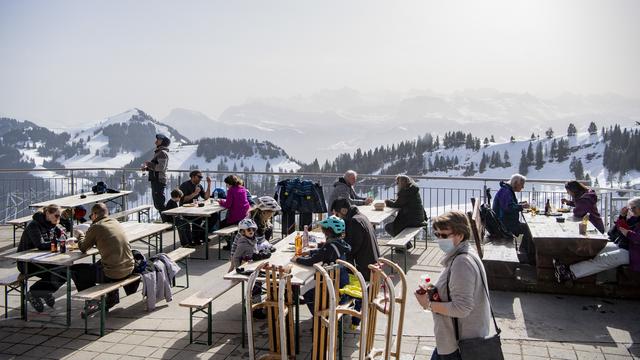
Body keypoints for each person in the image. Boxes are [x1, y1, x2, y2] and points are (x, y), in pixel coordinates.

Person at [414, 211, 492, 360]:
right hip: (458, 339)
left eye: (444, 235)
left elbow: (462, 308)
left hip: (457, 345)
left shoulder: (462, 263)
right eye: (437, 235)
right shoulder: (466, 253)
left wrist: (428, 304)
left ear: (460, 235)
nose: (440, 239)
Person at [554, 197, 640, 283]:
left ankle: (569, 273)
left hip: (635, 253)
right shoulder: (635, 219)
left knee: (606, 258)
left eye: (633, 208)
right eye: (630, 208)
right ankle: (600, 279)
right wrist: (622, 217)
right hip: (627, 247)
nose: (631, 210)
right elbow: (619, 228)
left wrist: (628, 234)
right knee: (600, 249)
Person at [72, 203, 135, 315]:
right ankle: (112, 298)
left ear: (95, 215)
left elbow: (83, 248)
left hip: (114, 273)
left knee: (76, 270)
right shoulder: (115, 222)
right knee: (101, 263)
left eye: (91, 216)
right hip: (129, 268)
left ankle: (93, 302)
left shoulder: (96, 226)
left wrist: (80, 235)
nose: (91, 218)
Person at [331, 198, 379, 328]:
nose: (337, 218)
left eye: (337, 215)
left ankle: (341, 308)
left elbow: (351, 248)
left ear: (344, 210)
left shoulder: (353, 222)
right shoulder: (360, 216)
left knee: (334, 271)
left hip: (364, 269)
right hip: (371, 264)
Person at [292, 216, 351, 313]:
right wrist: (310, 252)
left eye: (323, 229)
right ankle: (323, 315)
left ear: (328, 231)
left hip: (333, 288)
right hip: (342, 283)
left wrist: (297, 259)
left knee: (308, 294)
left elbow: (311, 261)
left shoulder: (329, 246)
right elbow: (323, 252)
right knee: (312, 288)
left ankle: (319, 321)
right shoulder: (340, 243)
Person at [17, 204, 68, 312]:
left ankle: (42, 292)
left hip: (44, 260)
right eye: (56, 216)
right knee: (58, 272)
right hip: (27, 263)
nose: (58, 218)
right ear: (48, 214)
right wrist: (60, 243)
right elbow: (40, 245)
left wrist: (65, 238)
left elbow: (63, 236)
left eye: (60, 216)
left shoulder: (52, 223)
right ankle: (34, 293)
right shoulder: (34, 225)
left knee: (65, 272)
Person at [492, 174, 535, 264]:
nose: (523, 187)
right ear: (515, 183)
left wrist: (519, 204)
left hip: (505, 222)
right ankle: (528, 256)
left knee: (527, 229)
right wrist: (521, 206)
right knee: (529, 230)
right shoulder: (506, 191)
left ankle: (525, 253)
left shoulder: (506, 190)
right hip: (504, 225)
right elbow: (508, 208)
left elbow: (509, 205)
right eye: (521, 184)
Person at [384, 175, 428, 249]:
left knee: (388, 227)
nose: (397, 184)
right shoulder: (412, 190)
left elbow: (397, 204)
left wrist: (387, 202)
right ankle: (406, 244)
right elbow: (402, 202)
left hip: (412, 220)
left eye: (397, 183)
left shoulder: (405, 192)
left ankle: (403, 246)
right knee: (394, 225)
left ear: (401, 183)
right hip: (419, 218)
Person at [178, 170, 212, 246]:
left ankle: (200, 236)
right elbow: (182, 199)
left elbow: (206, 197)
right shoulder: (185, 185)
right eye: (199, 177)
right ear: (193, 177)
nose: (200, 179)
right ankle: (195, 238)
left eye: (201, 177)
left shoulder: (199, 186)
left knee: (214, 216)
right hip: (185, 210)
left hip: (195, 209)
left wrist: (209, 184)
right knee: (198, 218)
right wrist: (195, 193)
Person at [218, 175, 251, 250]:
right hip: (245, 216)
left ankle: (231, 244)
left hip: (236, 217)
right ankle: (235, 242)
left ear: (230, 184)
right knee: (226, 222)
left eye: (227, 184)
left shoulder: (231, 190)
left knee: (220, 225)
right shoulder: (242, 188)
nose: (226, 186)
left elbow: (228, 205)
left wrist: (220, 202)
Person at [143, 134, 170, 212]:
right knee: (158, 203)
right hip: (157, 180)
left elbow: (161, 167)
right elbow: (157, 167)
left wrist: (149, 164)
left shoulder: (162, 153)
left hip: (159, 180)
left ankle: (167, 221)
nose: (155, 142)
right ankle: (166, 221)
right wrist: (147, 168)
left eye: (158, 140)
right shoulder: (159, 152)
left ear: (163, 142)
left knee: (159, 204)